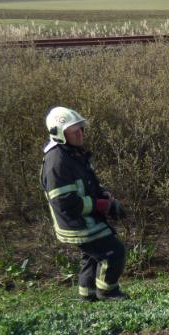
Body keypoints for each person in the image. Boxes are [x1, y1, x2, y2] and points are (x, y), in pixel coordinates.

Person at [40, 106, 128, 300]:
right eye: (74, 130)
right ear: (60, 133)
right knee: (114, 252)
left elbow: (88, 184)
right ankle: (108, 292)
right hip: (77, 224)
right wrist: (100, 205)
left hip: (83, 218)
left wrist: (106, 197)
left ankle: (88, 296)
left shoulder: (73, 154)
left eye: (81, 128)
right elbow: (65, 203)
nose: (80, 133)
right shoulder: (57, 161)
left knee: (91, 257)